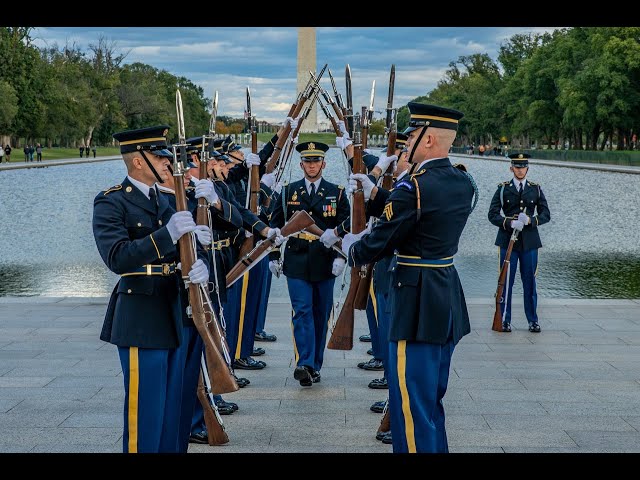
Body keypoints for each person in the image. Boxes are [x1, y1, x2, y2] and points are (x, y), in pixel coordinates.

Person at [342, 102, 476, 453]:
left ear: (429, 139)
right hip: (445, 294)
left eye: (412, 136)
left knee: (411, 405)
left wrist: (351, 247)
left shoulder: (413, 187)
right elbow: (420, 216)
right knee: (431, 401)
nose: (406, 144)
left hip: (415, 301)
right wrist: (376, 196)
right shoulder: (462, 182)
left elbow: (383, 238)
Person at [92, 124, 210, 453]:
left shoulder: (167, 201)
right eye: (160, 157)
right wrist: (166, 235)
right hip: (141, 317)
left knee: (173, 416)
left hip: (175, 313)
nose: (167, 163)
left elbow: (186, 252)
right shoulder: (111, 203)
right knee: (146, 415)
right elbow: (117, 258)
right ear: (138, 161)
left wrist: (199, 265)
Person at [269, 141, 350, 387]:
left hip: (325, 260)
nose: (311, 165)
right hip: (296, 259)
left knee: (321, 313)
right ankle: (304, 363)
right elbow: (275, 226)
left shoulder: (336, 192)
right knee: (302, 311)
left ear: (324, 164)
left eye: (316, 161)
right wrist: (274, 255)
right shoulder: (287, 192)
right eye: (307, 161)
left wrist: (341, 257)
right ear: (301, 163)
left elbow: (348, 227)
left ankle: (315, 364)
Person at [488, 153, 550, 333]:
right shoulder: (502, 189)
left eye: (523, 167)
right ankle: (504, 319)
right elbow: (492, 215)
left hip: (529, 243)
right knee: (506, 281)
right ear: (511, 168)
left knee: (529, 282)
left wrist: (531, 220)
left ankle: (533, 320)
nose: (520, 170)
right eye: (517, 167)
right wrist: (508, 222)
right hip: (508, 242)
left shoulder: (535, 189)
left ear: (527, 169)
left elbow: (546, 215)